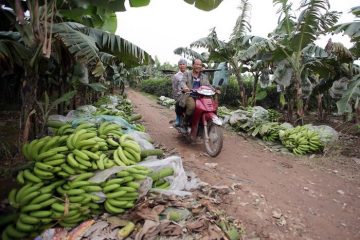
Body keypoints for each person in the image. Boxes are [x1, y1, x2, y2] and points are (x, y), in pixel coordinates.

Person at [179, 58, 211, 132]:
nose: (198, 66)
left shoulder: (204, 76)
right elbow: (182, 82)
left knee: (208, 107)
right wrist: (185, 87)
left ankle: (202, 124)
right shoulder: (187, 74)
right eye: (196, 64)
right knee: (192, 107)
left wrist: (215, 89)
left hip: (201, 97)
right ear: (193, 65)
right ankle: (184, 123)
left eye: (200, 65)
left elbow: (208, 85)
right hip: (189, 95)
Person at [171, 58, 187, 126]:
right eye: (180, 64)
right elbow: (174, 87)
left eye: (183, 64)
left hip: (189, 93)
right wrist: (176, 96)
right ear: (178, 66)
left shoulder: (189, 74)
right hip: (180, 94)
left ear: (186, 65)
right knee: (178, 105)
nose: (182, 65)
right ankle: (178, 118)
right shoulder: (176, 76)